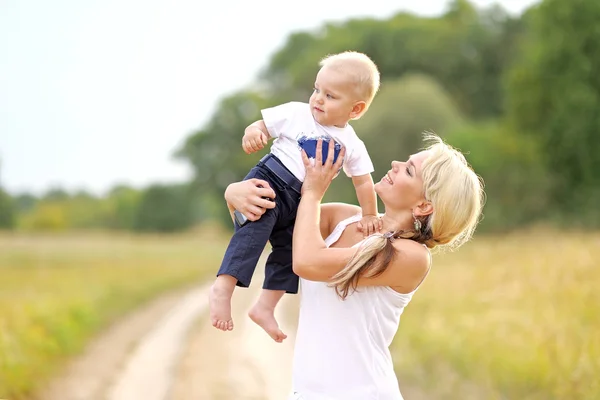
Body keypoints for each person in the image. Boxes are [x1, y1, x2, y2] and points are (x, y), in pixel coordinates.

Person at [224, 136, 485, 399]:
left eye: (408, 170)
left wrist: (313, 193)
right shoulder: (343, 218)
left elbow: (306, 262)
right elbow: (265, 222)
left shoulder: (412, 256)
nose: (395, 164)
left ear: (423, 206)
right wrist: (234, 194)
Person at [209, 51, 383, 342]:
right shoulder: (297, 112)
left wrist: (369, 215)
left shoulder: (352, 144)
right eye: (317, 89)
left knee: (292, 252)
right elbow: (261, 126)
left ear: (356, 109)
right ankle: (223, 287)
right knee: (254, 231)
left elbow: (364, 183)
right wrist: (253, 133)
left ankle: (265, 306)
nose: (317, 99)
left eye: (330, 95)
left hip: (300, 202)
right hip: (269, 181)